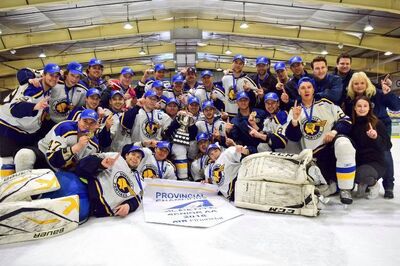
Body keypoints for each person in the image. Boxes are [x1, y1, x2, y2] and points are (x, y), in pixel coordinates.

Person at [285, 77, 355, 204]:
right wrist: (295, 120)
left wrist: (334, 132)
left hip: (329, 150)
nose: (306, 90)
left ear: (313, 89)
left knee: (344, 144)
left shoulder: (326, 104)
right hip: (313, 157)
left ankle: (346, 189)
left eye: (309, 87)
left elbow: (346, 120)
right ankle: (331, 184)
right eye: (302, 88)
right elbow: (293, 137)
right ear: (299, 91)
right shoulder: (294, 110)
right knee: (326, 187)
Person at [344, 72, 400, 199]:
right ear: (352, 85)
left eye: (362, 83)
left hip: (380, 126)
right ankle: (365, 181)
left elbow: (396, 106)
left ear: (367, 83)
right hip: (360, 128)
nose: (359, 86)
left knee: (384, 152)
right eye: (356, 83)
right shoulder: (350, 99)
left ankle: (388, 185)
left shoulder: (378, 93)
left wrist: (388, 93)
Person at [0, 63, 61, 157]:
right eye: (51, 75)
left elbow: (24, 72)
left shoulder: (46, 88)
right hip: (8, 129)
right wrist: (34, 106)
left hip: (22, 132)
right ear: (44, 75)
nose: (54, 78)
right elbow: (15, 109)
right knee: (8, 162)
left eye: (57, 76)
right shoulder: (34, 89)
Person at [14, 109, 100, 172]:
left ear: (96, 125)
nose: (87, 126)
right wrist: (76, 148)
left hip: (62, 173)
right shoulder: (65, 128)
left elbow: (83, 168)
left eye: (92, 123)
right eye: (85, 121)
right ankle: (22, 190)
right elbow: (52, 159)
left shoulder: (94, 144)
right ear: (78, 120)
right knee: (24, 155)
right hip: (43, 157)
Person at [75, 146, 144, 217]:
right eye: (133, 154)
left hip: (107, 217)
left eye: (138, 157)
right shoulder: (115, 158)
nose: (135, 158)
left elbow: (138, 197)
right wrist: (100, 164)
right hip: (89, 202)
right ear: (126, 155)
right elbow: (82, 165)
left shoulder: (136, 177)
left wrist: (129, 206)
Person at [350, 96, 392, 199]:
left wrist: (376, 137)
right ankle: (363, 183)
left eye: (365, 106)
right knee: (347, 174)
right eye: (359, 106)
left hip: (375, 163)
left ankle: (373, 185)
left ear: (369, 108)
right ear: (355, 108)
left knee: (361, 174)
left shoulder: (377, 123)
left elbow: (387, 145)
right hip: (359, 162)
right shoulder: (351, 124)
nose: (362, 108)